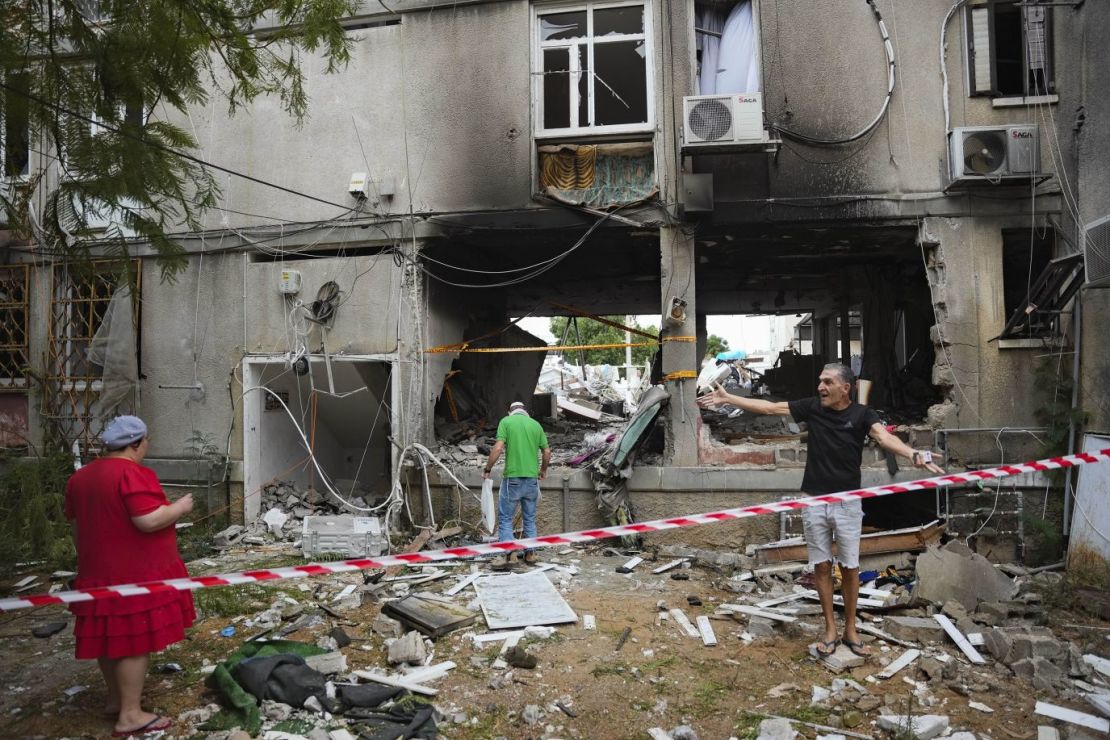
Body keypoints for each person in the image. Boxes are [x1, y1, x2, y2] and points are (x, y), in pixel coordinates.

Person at [697, 363, 943, 657]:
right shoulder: (813, 408)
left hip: (848, 503)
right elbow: (769, 409)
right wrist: (731, 399)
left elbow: (885, 437)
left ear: (845, 388)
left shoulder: (863, 414)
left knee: (851, 567)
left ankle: (851, 629)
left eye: (827, 382)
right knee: (822, 567)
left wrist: (913, 453)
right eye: (819, 382)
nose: (820, 387)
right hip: (813, 501)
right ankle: (830, 629)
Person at [65, 416, 196, 737]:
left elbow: (76, 527)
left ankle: (116, 699)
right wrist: (180, 507)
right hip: (135, 574)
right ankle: (131, 715)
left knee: (110, 639)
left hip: (98, 572)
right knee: (134, 642)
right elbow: (148, 520)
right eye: (146, 441)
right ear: (136, 444)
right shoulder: (132, 473)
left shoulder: (80, 478)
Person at [483, 400, 550, 565]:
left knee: (506, 518)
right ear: (525, 411)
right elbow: (547, 451)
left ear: (509, 412)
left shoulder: (506, 422)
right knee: (530, 518)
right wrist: (543, 470)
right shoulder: (536, 425)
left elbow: (498, 448)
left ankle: (511, 554)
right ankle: (530, 554)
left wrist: (487, 468)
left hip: (512, 480)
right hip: (532, 481)